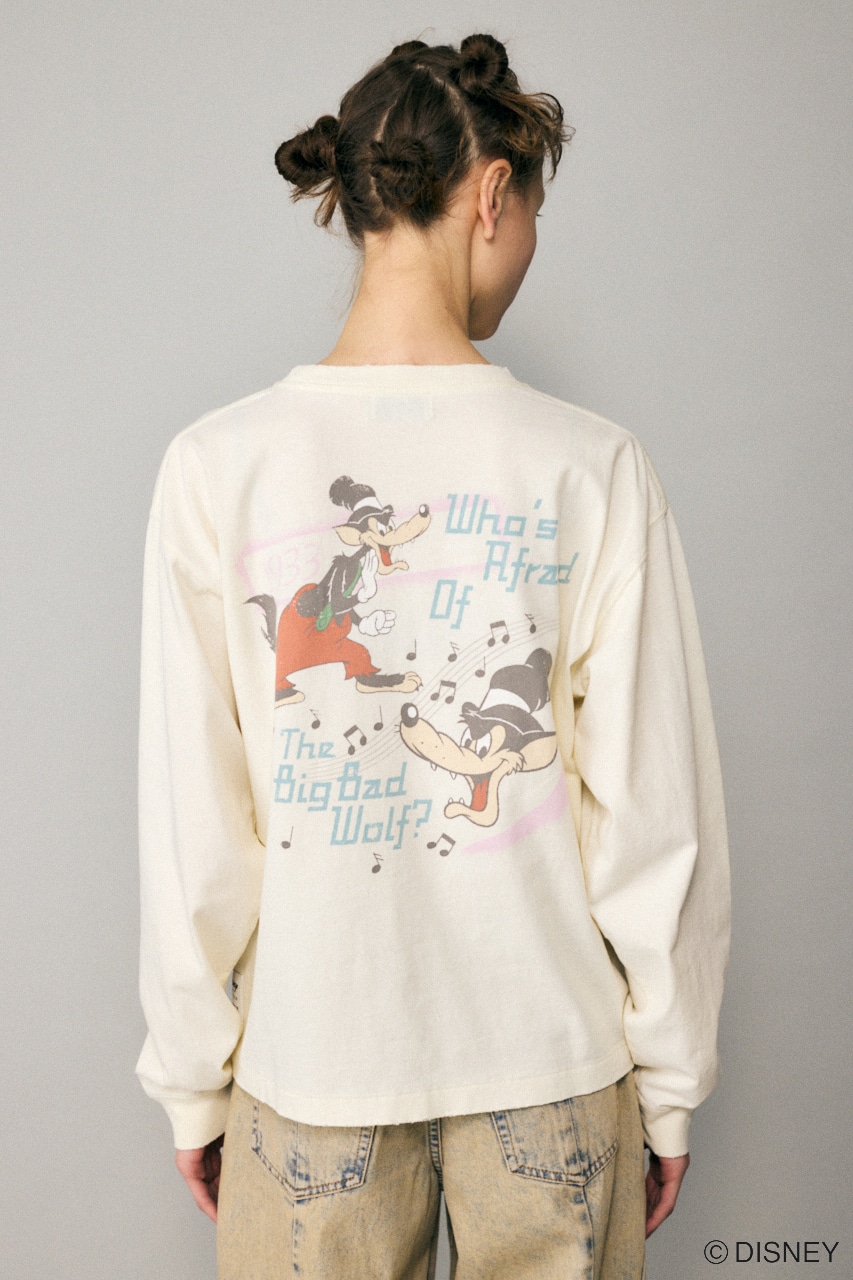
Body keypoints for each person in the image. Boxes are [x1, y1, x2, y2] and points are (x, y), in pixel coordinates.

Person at [134, 32, 730, 1280]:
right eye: (532, 212)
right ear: (492, 193)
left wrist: (194, 1076)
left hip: (314, 1069)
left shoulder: (214, 466)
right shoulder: (591, 465)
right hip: (553, 1068)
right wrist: (671, 1084)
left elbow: (197, 822)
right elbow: (653, 816)